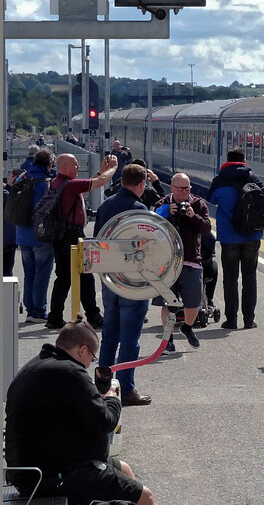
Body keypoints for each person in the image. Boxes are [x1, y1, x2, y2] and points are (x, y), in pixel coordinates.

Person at [5, 320, 157, 504]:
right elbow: (104, 423)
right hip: (55, 475)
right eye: (92, 358)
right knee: (146, 497)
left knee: (123, 470)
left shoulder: (38, 365)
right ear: (82, 350)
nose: (89, 364)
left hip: (37, 468)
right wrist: (111, 398)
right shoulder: (70, 372)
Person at [93, 164, 154, 407]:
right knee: (130, 337)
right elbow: (148, 246)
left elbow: (96, 239)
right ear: (141, 184)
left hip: (110, 279)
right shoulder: (139, 209)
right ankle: (126, 388)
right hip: (133, 281)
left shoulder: (106, 205)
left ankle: (102, 387)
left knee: (110, 335)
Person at [45, 153, 117, 330]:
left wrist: (100, 171)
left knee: (63, 278)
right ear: (65, 167)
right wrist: (113, 169)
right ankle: (93, 315)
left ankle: (54, 317)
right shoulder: (69, 185)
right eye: (75, 165)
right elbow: (97, 184)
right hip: (72, 237)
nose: (78, 167)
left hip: (60, 237)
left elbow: (85, 188)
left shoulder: (57, 183)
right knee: (86, 276)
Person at [207, 147, 264, 330]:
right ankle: (249, 320)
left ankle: (231, 320)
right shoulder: (252, 177)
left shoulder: (220, 179)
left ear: (227, 159)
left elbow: (210, 198)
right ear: (244, 160)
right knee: (250, 277)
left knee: (230, 278)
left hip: (229, 236)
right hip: (252, 234)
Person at [153, 172, 211, 351]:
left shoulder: (198, 204)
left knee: (193, 303)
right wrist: (166, 213)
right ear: (172, 188)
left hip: (191, 260)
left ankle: (187, 326)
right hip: (167, 262)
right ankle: (167, 339)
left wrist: (193, 216)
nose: (185, 191)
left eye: (187, 188)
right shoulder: (162, 204)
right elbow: (151, 225)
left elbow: (207, 229)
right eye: (181, 188)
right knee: (167, 303)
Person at [15, 149, 54, 322]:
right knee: (42, 274)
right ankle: (38, 310)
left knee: (29, 273)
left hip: (22, 234)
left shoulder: (22, 177)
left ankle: (30, 308)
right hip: (41, 235)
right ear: (49, 164)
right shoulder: (45, 182)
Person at [3, 170, 20, 276]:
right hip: (7, 240)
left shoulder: (5, 191)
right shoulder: (5, 193)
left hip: (8, 239)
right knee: (7, 273)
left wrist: (9, 186)